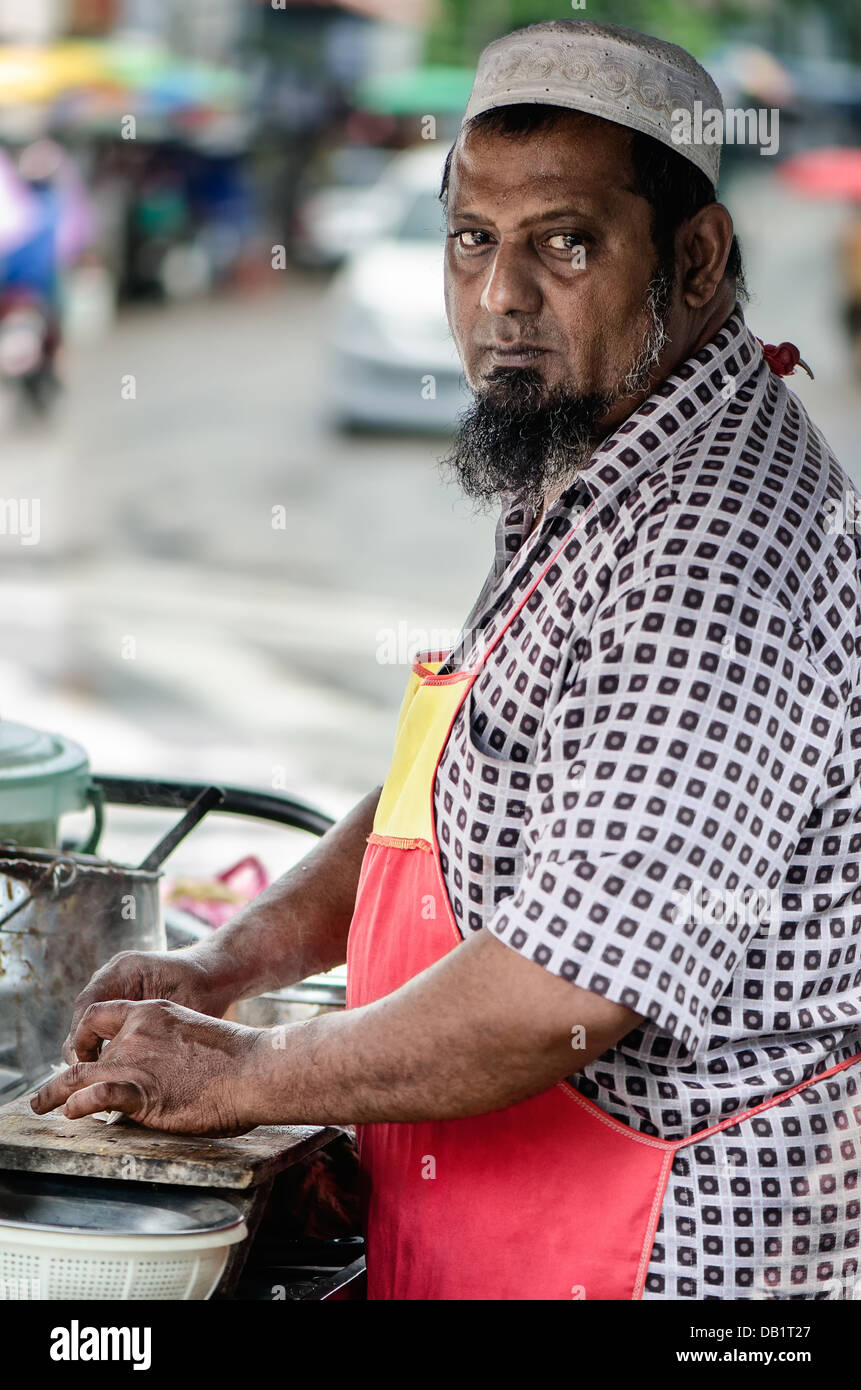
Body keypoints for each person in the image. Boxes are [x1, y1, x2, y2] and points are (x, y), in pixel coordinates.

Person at [33, 20, 861, 1301]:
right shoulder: (595, 445)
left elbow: (562, 992)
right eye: (474, 240)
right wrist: (233, 960)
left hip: (660, 1257)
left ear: (696, 262)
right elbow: (456, 774)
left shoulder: (715, 554)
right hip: (491, 1219)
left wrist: (244, 1074)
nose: (501, 300)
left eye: (566, 243)